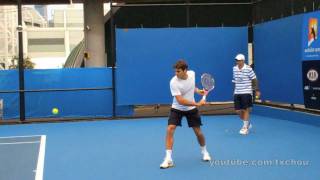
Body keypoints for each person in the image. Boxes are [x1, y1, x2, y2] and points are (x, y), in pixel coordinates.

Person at [160, 60, 212, 169]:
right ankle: (168, 158)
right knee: (170, 129)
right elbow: (180, 100)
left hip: (191, 109)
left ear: (185, 70)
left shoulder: (192, 74)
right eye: (175, 71)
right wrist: (197, 103)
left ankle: (205, 151)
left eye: (178, 71)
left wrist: (198, 91)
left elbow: (191, 86)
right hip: (177, 108)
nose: (176, 73)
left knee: (198, 132)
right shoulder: (173, 82)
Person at [233, 54, 260, 135]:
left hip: (247, 92)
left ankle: (245, 128)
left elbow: (254, 79)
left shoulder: (248, 69)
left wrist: (257, 90)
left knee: (246, 109)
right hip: (237, 92)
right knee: (238, 111)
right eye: (237, 60)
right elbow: (235, 80)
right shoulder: (234, 68)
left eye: (239, 60)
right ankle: (247, 123)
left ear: (243, 61)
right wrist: (234, 91)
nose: (237, 62)